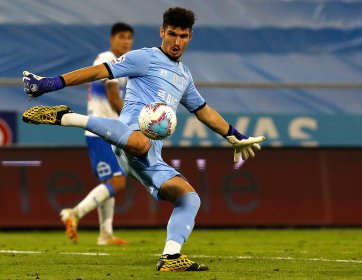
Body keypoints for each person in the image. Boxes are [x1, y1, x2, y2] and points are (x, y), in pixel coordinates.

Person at [22, 7, 265, 272]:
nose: (176, 41)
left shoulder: (184, 75)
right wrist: (52, 83)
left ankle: (171, 257)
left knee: (189, 198)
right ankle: (67, 118)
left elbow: (203, 110)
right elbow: (98, 72)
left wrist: (234, 135)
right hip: (128, 136)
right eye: (171, 34)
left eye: (182, 36)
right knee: (141, 142)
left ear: (190, 37)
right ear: (162, 32)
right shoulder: (145, 58)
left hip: (150, 158)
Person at [59, 23, 134, 245]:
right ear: (112, 39)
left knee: (110, 181)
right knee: (118, 182)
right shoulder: (107, 58)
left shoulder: (125, 65)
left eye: (130, 37)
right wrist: (134, 124)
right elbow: (113, 97)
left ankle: (105, 234)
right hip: (101, 132)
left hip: (110, 131)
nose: (126, 41)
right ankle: (74, 213)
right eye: (122, 37)